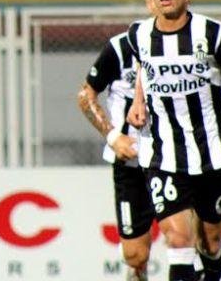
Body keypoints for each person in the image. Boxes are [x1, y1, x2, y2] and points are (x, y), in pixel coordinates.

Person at [127, 0, 221, 281]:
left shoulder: (214, 35)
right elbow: (142, 67)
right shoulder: (138, 36)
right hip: (164, 155)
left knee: (211, 240)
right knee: (178, 239)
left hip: (212, 155)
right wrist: (138, 101)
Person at [77, 26, 154, 281]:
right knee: (135, 255)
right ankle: (136, 272)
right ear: (149, 0)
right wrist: (113, 137)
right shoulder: (119, 48)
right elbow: (85, 95)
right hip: (130, 161)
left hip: (178, 160)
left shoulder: (194, 42)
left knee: (183, 238)